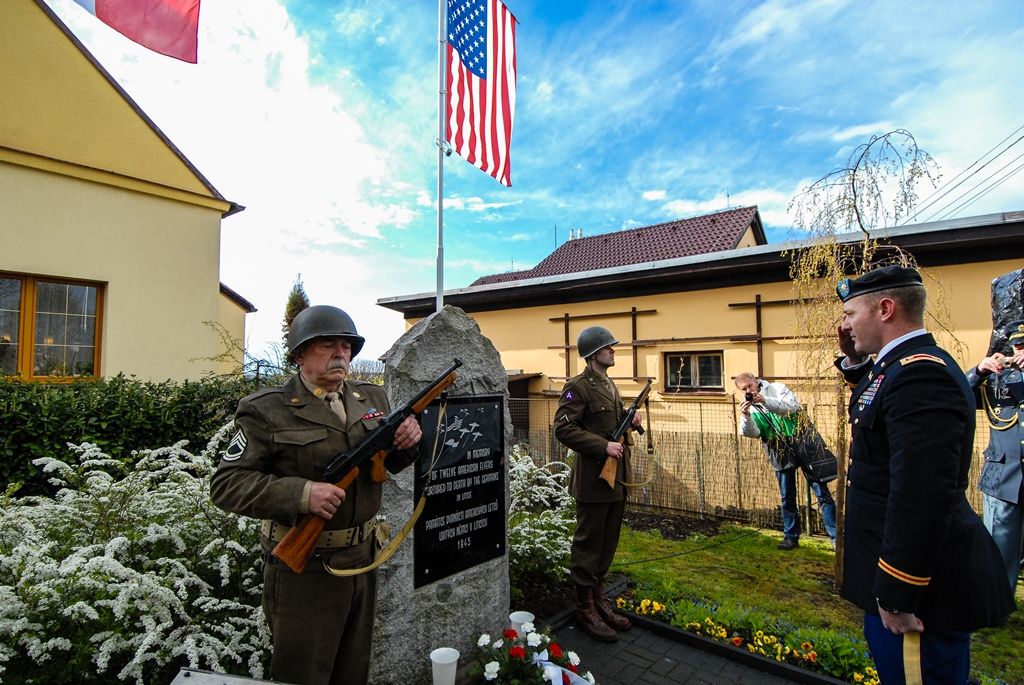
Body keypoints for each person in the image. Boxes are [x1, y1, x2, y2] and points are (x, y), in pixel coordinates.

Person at [210, 305, 422, 685]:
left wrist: (408, 443)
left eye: (346, 346)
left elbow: (386, 465)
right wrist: (302, 494)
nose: (341, 354)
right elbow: (227, 484)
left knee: (353, 670)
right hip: (305, 567)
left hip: (362, 559)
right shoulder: (267, 409)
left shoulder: (371, 399)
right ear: (300, 355)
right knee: (303, 673)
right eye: (327, 346)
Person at [834, 265, 1014, 684]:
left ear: (885, 308)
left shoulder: (921, 374)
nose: (843, 325)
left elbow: (921, 496)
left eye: (848, 314)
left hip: (916, 598)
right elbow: (875, 409)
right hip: (897, 585)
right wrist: (857, 361)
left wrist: (898, 592)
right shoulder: (897, 367)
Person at [554, 326, 643, 642]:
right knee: (589, 542)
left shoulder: (610, 386)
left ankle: (599, 599)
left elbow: (612, 424)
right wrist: (602, 446)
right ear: (594, 354)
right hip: (594, 479)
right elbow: (564, 430)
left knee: (608, 542)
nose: (614, 351)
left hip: (616, 479)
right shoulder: (577, 387)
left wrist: (631, 421)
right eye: (609, 347)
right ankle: (584, 608)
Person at [735, 372, 837, 550]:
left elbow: (791, 407)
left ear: (756, 381)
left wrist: (765, 400)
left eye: (750, 386)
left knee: (822, 493)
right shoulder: (750, 407)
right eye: (744, 389)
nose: (748, 390)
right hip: (777, 448)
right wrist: (746, 416)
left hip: (803, 442)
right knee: (787, 497)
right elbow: (754, 433)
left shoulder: (777, 388)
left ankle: (836, 537)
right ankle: (791, 537)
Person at [967, 319, 1024, 593]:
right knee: (999, 548)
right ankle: (995, 606)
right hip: (1004, 478)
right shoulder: (995, 381)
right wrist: (979, 370)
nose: (1020, 352)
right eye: (1018, 346)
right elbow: (956, 393)